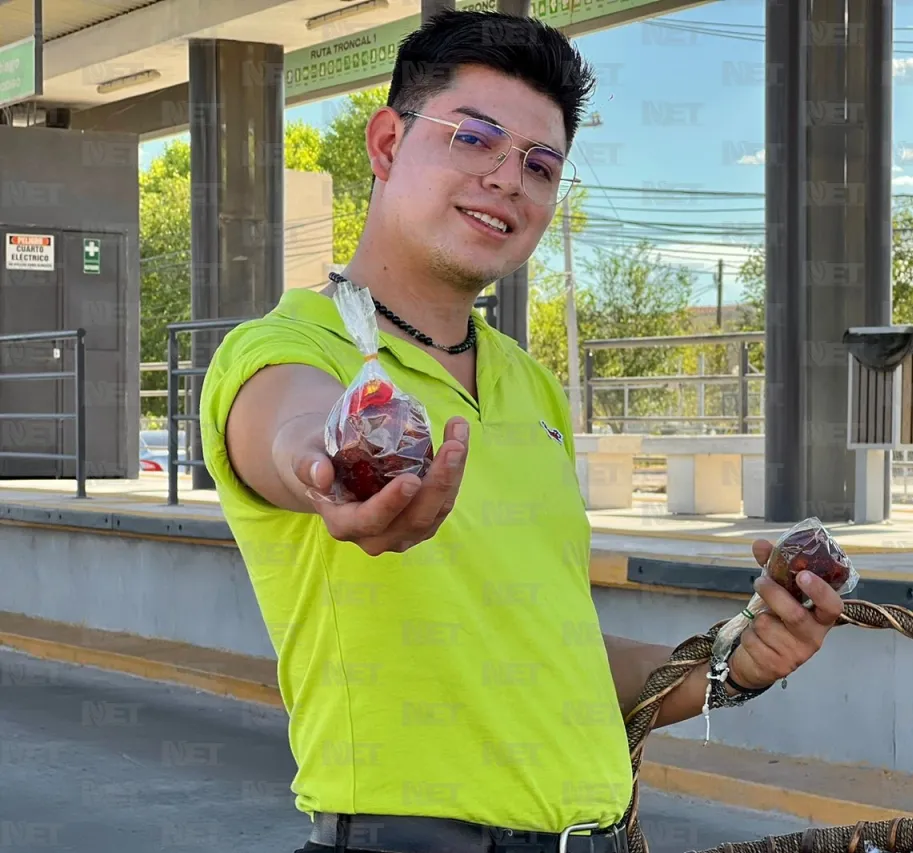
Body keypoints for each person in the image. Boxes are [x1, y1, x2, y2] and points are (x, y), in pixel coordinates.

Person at [199, 9, 846, 853]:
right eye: (473, 139)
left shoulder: (530, 384)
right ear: (388, 144)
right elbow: (290, 431)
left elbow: (561, 651)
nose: (510, 179)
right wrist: (332, 471)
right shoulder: (288, 348)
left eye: (541, 165)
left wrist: (733, 664)